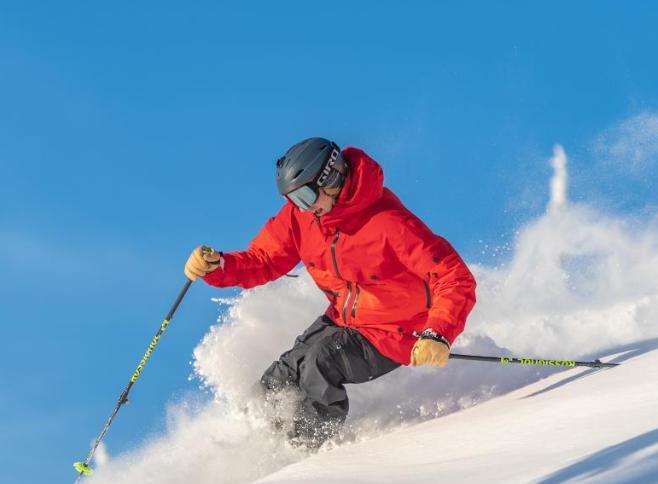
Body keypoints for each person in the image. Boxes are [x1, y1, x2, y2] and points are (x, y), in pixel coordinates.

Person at [184, 137, 477, 449]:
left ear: (332, 178)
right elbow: (264, 260)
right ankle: (247, 450)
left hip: (394, 331)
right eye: (294, 199)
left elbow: (453, 276)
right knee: (281, 375)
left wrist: (438, 333)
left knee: (320, 364)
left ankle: (302, 454)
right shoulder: (302, 218)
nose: (303, 207)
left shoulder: (389, 223)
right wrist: (218, 266)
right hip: (343, 319)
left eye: (306, 195)